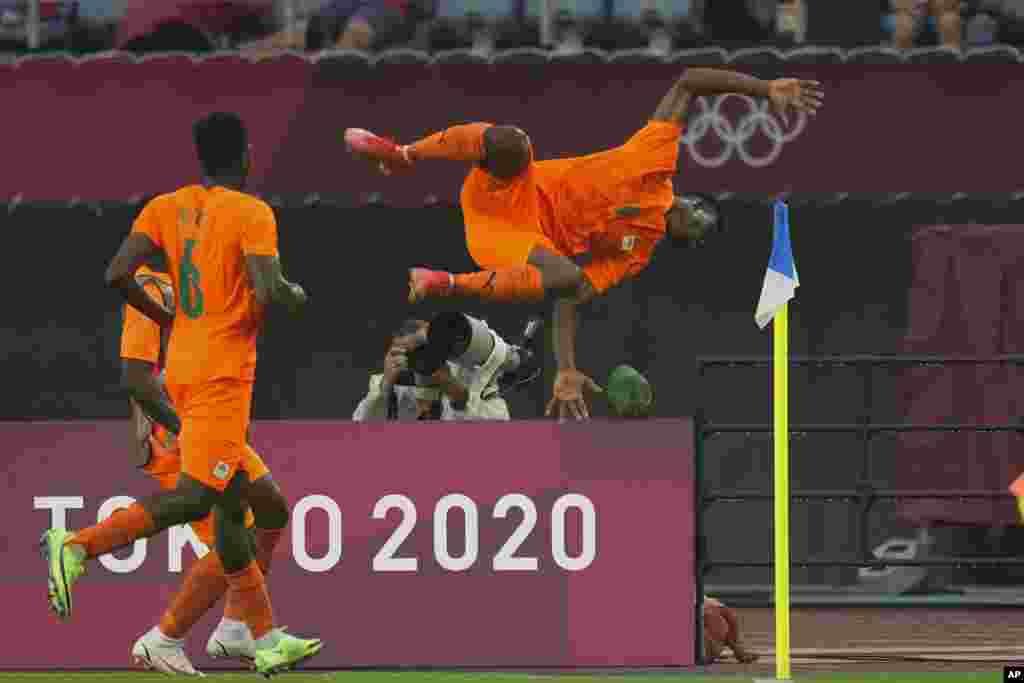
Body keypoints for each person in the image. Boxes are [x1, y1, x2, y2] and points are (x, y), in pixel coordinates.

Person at [344, 67, 823, 421]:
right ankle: (405, 154)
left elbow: (572, 297)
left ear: (687, 240)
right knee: (513, 141)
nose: (699, 218)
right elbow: (689, 82)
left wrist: (566, 369)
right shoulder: (655, 158)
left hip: (508, 241)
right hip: (504, 190)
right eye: (703, 211)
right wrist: (763, 90)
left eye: (703, 227)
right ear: (691, 198)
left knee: (564, 277)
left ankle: (445, 282)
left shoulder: (639, 251)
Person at [40, 112, 321, 677]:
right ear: (245, 157)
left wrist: (169, 315)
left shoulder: (166, 207)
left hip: (188, 368)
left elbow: (116, 272)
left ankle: (254, 634)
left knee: (262, 506)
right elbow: (269, 291)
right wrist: (295, 294)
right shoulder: (252, 212)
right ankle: (79, 546)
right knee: (200, 500)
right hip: (219, 378)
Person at [119, 254, 292, 675]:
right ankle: (163, 639)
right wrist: (185, 427)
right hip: (178, 436)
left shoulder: (197, 284)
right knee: (239, 536)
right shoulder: (149, 287)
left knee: (266, 516)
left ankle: (234, 627)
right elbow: (140, 378)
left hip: (211, 422)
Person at [353, 313, 541, 421]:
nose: (422, 356)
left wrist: (459, 397)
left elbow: (501, 425)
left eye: (427, 348)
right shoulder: (391, 385)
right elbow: (361, 431)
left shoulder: (464, 374)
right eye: (412, 352)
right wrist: (384, 388)